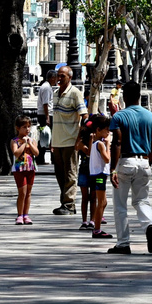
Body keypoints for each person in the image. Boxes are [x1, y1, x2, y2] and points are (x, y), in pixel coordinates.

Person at [108, 79, 152, 255]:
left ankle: (123, 243)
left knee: (120, 205)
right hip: (144, 162)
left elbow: (117, 142)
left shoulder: (119, 116)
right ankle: (149, 225)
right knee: (142, 200)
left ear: (124, 96)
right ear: (139, 96)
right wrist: (149, 160)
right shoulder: (150, 116)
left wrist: (112, 169)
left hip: (125, 162)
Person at [49, 64, 86, 216]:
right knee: (60, 174)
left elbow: (84, 116)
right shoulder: (56, 93)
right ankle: (64, 201)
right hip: (57, 141)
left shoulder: (75, 93)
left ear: (70, 77)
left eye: (62, 75)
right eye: (58, 75)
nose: (59, 78)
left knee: (70, 173)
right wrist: (52, 141)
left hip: (70, 141)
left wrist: (79, 139)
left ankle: (69, 204)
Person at [85, 115, 113, 239]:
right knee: (101, 202)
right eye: (106, 129)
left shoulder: (94, 143)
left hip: (97, 174)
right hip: (99, 175)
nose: (108, 132)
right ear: (98, 130)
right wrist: (108, 146)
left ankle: (97, 225)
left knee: (103, 202)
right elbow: (107, 159)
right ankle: (97, 229)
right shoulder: (101, 144)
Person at [11, 114, 39, 225]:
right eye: (24, 127)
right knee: (22, 192)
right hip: (19, 169)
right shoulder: (15, 141)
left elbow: (36, 152)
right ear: (18, 128)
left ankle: (26, 214)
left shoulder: (32, 140)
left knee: (28, 193)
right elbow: (16, 153)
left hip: (30, 168)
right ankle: (19, 215)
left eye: (28, 126)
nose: (27, 129)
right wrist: (24, 144)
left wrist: (30, 144)